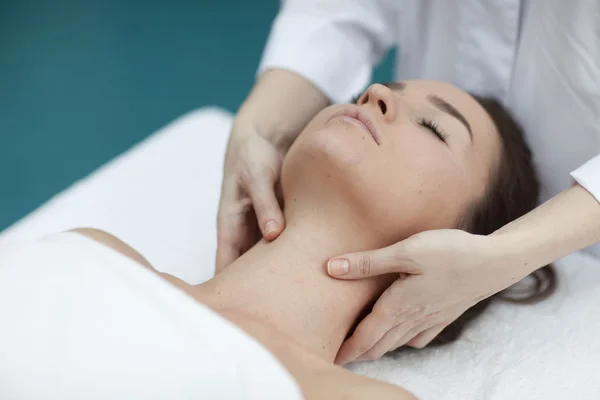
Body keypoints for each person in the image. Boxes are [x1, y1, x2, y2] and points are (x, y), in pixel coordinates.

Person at [1, 81, 550, 398]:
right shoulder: (94, 252)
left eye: (435, 128)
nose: (377, 91)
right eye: (368, 90)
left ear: (458, 253)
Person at [216, 0, 600, 364]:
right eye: (358, 95)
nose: (375, 91)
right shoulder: (151, 285)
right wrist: (259, 127)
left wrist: (511, 253)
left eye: (433, 128)